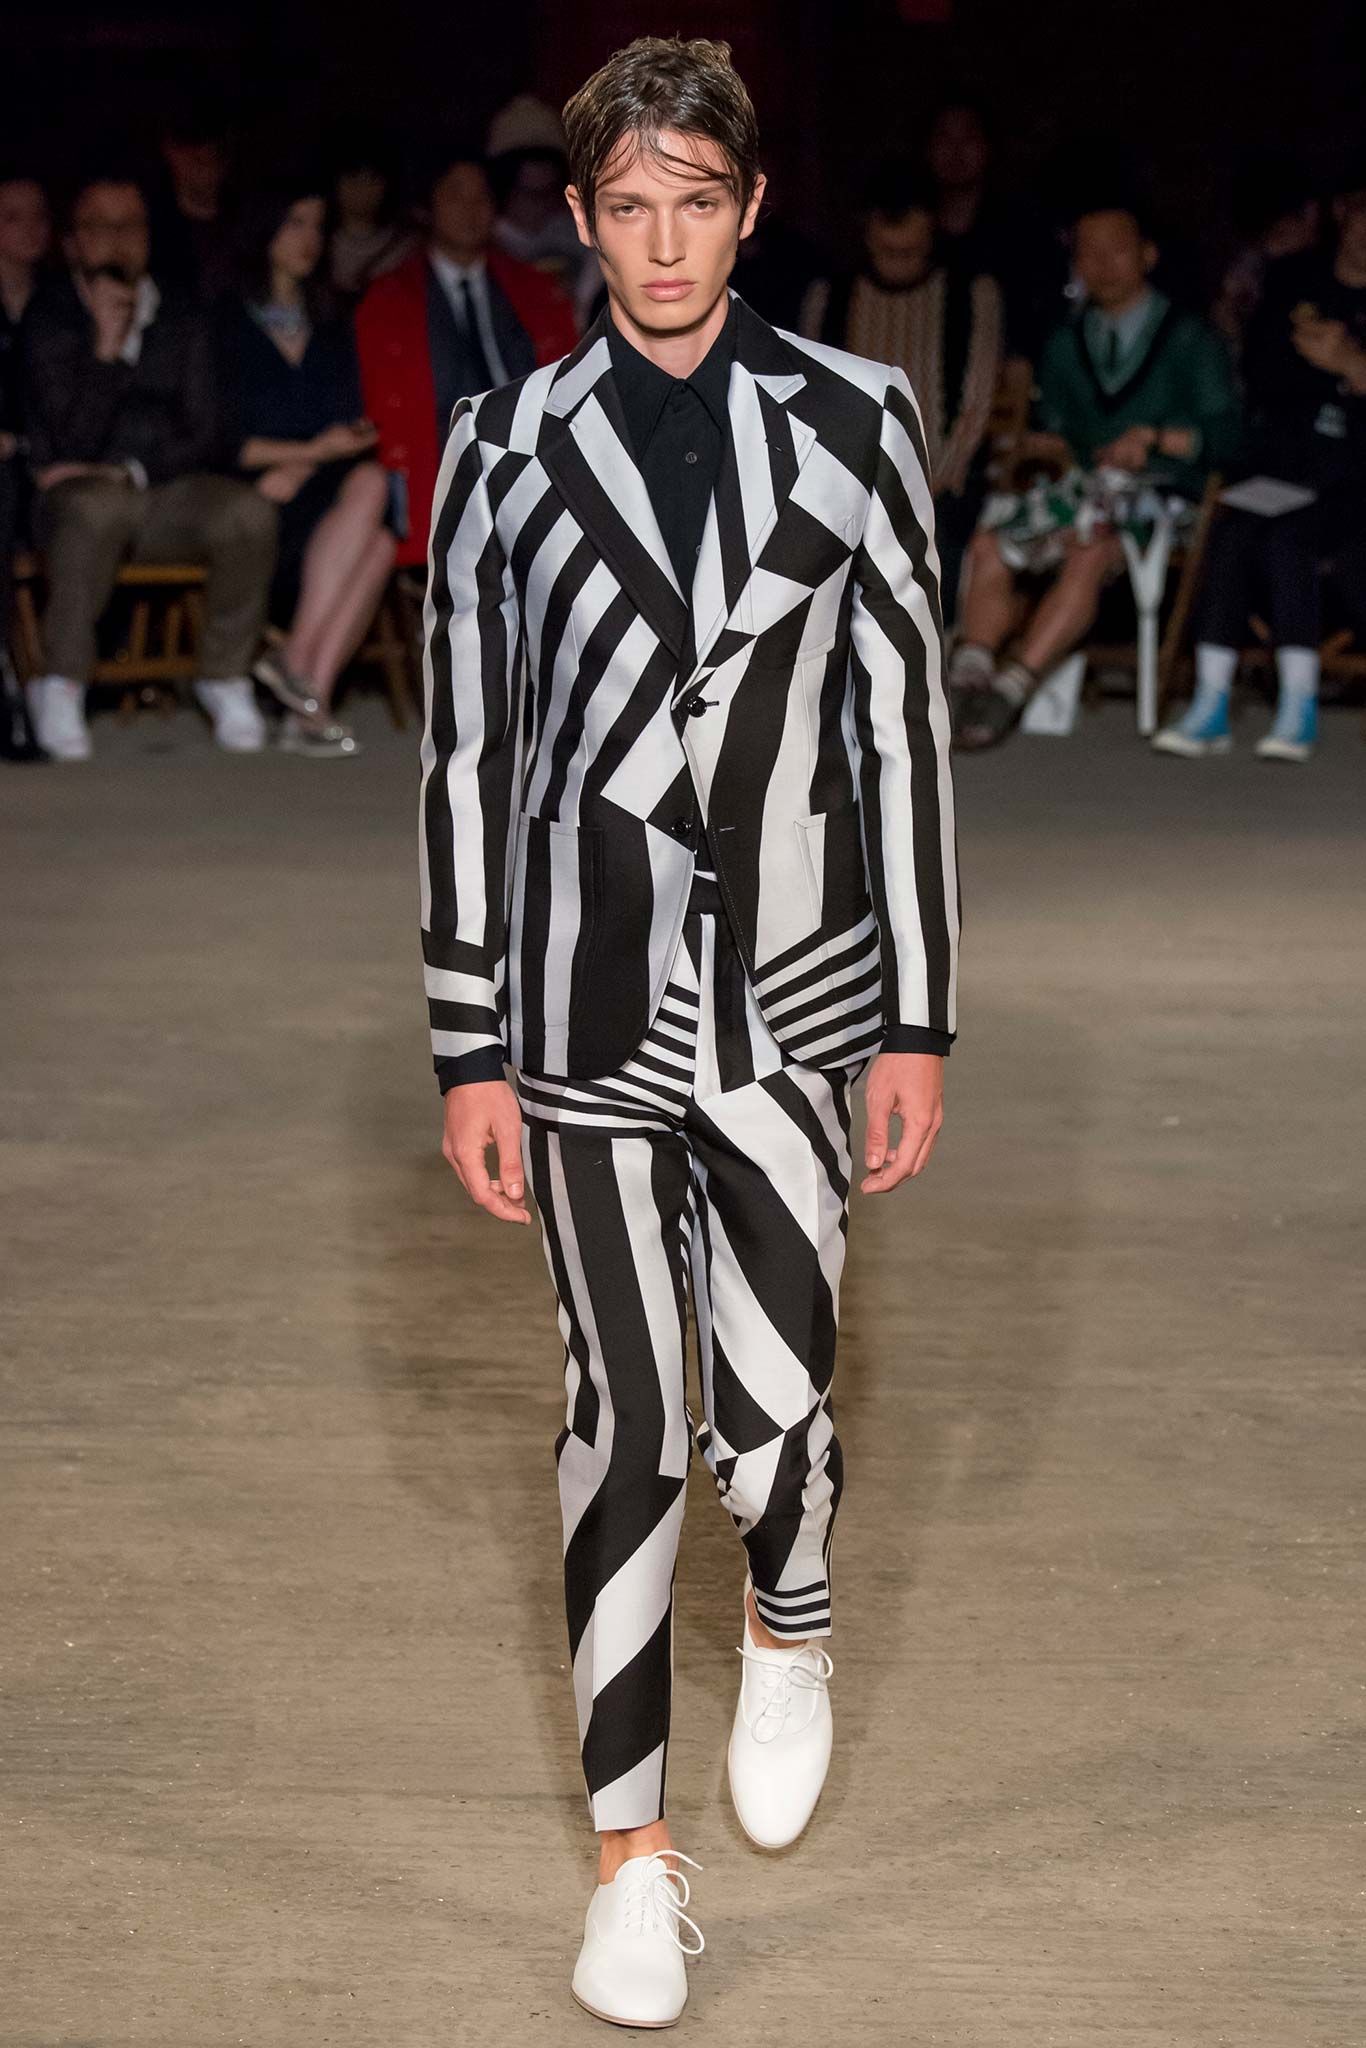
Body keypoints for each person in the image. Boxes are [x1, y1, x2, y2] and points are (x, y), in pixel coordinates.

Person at [419, 34, 958, 2028]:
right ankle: (631, 1862)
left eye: (695, 203)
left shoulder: (854, 420)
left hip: (799, 997)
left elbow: (899, 728)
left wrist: (917, 1013)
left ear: (748, 210)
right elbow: (468, 757)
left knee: (776, 1412)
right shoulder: (499, 448)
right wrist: (465, 1041)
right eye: (627, 206)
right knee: (627, 1419)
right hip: (577, 1001)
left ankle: (790, 1605)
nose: (661, 242)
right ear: (581, 216)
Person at [950, 202, 1240, 750]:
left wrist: (1155, 440)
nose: (1102, 264)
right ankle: (971, 672)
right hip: (1084, 490)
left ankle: (1013, 685)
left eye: (1117, 250)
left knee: (1093, 546)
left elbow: (1229, 435)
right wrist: (1049, 445)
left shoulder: (1191, 338)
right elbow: (1063, 430)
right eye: (1088, 253)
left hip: (1164, 497)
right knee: (991, 540)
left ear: (1147, 255)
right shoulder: (1066, 340)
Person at [23, 169, 276, 760]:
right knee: (95, 508)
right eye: (100, 226)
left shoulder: (182, 314)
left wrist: (130, 471)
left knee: (248, 513)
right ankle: (62, 681)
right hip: (73, 502)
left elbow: (206, 432)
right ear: (72, 241)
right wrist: (106, 350)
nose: (118, 239)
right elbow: (66, 440)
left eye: (131, 225)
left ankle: (224, 674)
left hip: (161, 489)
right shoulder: (50, 317)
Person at [1154, 173, 1366, 764]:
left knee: (1291, 534)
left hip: (1353, 481)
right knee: (1232, 527)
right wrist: (1312, 359)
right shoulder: (1296, 278)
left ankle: (1299, 706)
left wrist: (1351, 363)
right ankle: (1210, 703)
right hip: (1285, 462)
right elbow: (1259, 377)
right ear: (1342, 212)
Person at [218, 177, 396, 757]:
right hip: (254, 495)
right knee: (375, 527)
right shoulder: (223, 317)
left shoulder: (330, 317)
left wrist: (321, 454)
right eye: (296, 223)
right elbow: (219, 440)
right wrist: (307, 455)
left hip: (322, 492)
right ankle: (304, 691)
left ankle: (299, 677)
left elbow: (353, 421)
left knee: (375, 502)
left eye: (319, 226)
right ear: (264, 229)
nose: (310, 239)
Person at [354, 144, 577, 570]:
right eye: (455, 196)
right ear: (428, 207)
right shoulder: (388, 300)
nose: (470, 210)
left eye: (482, 198)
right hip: (437, 466)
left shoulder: (536, 292)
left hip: (528, 465)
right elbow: (381, 408)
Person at [800, 161, 1003, 619]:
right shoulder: (830, 297)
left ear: (931, 230)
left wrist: (926, 485)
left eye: (909, 251)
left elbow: (975, 406)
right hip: (846, 484)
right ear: (867, 231)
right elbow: (814, 398)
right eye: (887, 249)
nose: (897, 258)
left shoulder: (969, 294)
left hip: (940, 488)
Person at [0, 170, 51, 760]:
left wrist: (23, 443)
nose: (29, 228)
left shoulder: (63, 302)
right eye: (12, 216)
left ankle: (19, 689)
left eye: (38, 214)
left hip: (50, 467)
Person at [327, 132, 416, 300]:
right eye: (354, 178)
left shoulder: (405, 248)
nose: (363, 189)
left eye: (372, 180)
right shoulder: (316, 245)